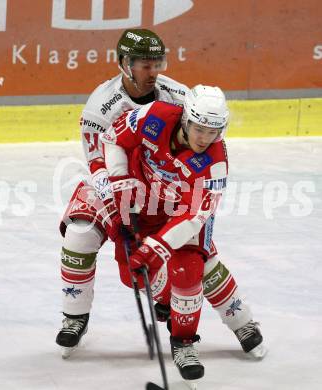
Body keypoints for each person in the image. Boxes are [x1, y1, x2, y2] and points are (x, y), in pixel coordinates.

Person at [100, 85, 266, 381]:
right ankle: (169, 302)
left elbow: (195, 215)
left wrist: (155, 249)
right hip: (147, 206)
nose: (204, 138)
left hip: (184, 217)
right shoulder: (154, 116)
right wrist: (119, 178)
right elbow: (113, 137)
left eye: (213, 131)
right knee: (132, 275)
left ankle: (187, 341)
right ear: (186, 119)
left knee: (190, 269)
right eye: (199, 129)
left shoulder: (215, 161)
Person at [56, 28, 189, 357]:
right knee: (79, 234)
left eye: (157, 62)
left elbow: (201, 143)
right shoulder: (101, 106)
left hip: (162, 184)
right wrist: (118, 214)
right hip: (114, 183)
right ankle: (75, 316)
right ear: (124, 65)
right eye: (145, 64)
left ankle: (172, 304)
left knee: (183, 245)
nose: (153, 71)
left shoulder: (179, 96)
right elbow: (97, 166)